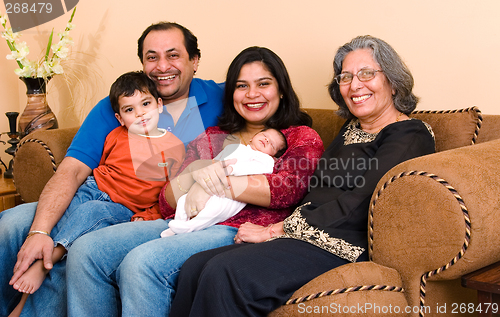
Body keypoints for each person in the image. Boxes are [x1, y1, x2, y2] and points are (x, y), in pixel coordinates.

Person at [168, 35, 437, 317]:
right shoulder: (350, 129)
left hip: (340, 244)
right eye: (345, 77)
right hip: (302, 236)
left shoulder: (409, 133)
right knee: (193, 267)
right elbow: (317, 192)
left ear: (392, 82)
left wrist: (275, 230)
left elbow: (360, 201)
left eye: (367, 74)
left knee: (224, 273)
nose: (355, 85)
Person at [65, 46, 324, 316]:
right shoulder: (212, 135)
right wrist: (195, 174)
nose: (252, 94)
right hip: (182, 219)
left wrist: (212, 181)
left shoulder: (300, 137)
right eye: (241, 85)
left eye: (264, 84)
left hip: (234, 230)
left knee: (142, 263)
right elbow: (166, 201)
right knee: (88, 250)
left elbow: (288, 190)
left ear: (281, 89)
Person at [0, 21, 223, 317]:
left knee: (85, 239)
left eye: (174, 55)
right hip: (98, 193)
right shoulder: (117, 104)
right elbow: (72, 170)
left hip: (146, 210)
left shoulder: (221, 98)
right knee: (13, 222)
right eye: (152, 57)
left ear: (194, 61)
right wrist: (39, 231)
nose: (162, 66)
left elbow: (266, 108)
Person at [8, 71, 185, 317]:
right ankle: (20, 305)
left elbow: (167, 193)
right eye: (130, 110)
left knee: (91, 213)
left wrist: (147, 215)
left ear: (159, 104)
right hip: (93, 189)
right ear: (119, 118)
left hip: (122, 208)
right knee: (62, 217)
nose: (141, 114)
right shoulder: (115, 136)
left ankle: (45, 264)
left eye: (145, 104)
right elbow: (98, 167)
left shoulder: (175, 147)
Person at [161, 128, 287, 237]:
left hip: (232, 194)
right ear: (253, 137)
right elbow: (216, 161)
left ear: (274, 155)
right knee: (184, 200)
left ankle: (190, 227)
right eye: (264, 135)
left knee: (214, 211)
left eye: (272, 144)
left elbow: (257, 169)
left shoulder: (265, 159)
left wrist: (231, 170)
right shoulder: (236, 148)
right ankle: (179, 224)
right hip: (211, 181)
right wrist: (206, 173)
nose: (266, 140)